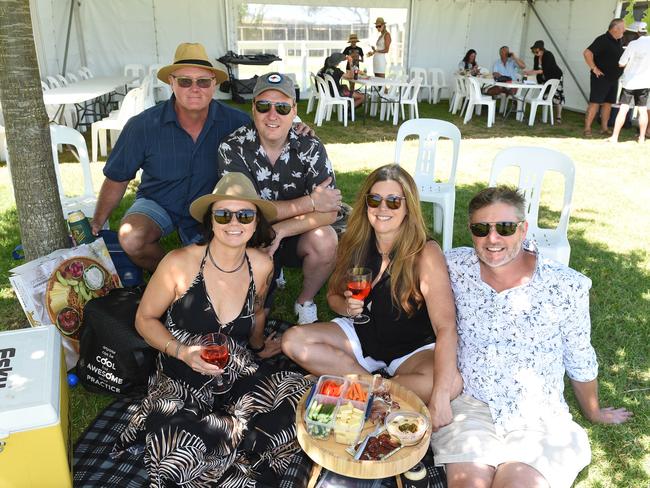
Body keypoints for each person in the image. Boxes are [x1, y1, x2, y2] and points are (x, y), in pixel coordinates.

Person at [111, 172, 312, 486]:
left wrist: (258, 346)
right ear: (211, 220)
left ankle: (235, 445)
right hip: (182, 375)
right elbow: (144, 319)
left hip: (236, 370)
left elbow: (256, 311)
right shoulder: (179, 263)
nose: (234, 222)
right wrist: (181, 351)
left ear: (256, 221)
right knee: (179, 454)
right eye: (223, 214)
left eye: (244, 214)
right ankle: (230, 450)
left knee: (304, 399)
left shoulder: (261, 265)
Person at [431, 186, 633, 488]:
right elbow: (410, 257)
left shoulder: (565, 286)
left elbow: (579, 355)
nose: (493, 238)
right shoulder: (455, 267)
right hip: (472, 409)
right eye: (481, 228)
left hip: (539, 419)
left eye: (506, 227)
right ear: (471, 231)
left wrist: (593, 411)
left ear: (523, 229)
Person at [282, 164, 463, 430]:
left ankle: (356, 386)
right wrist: (346, 307)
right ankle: (375, 388)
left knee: (450, 383)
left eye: (393, 201)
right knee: (293, 340)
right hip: (363, 335)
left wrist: (439, 398)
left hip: (410, 349)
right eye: (375, 199)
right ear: (366, 203)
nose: (382, 209)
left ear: (408, 207)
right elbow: (332, 296)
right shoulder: (356, 242)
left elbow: (446, 327)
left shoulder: (425, 253)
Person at [91, 42, 250, 271]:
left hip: (209, 208)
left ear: (214, 85)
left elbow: (272, 134)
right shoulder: (143, 125)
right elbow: (118, 177)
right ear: (171, 82)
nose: (195, 88)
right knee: (131, 237)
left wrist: (300, 132)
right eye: (185, 81)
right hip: (158, 201)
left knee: (222, 264)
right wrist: (97, 222)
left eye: (203, 81)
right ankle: (176, 274)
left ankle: (199, 270)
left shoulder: (237, 123)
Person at [217, 72, 340, 324]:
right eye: (264, 106)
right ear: (253, 108)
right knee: (251, 315)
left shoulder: (311, 147)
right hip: (249, 233)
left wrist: (281, 229)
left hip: (297, 232)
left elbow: (331, 211)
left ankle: (304, 300)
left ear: (294, 110)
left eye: (282, 108)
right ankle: (269, 278)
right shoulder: (232, 147)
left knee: (325, 239)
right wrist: (311, 202)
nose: (272, 115)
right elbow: (244, 210)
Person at [583, 18, 626, 137]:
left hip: (613, 79)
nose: (625, 30)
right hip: (601, 77)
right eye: (623, 28)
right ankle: (587, 129)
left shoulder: (619, 41)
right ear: (615, 28)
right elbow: (587, 53)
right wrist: (594, 68)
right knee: (595, 102)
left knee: (608, 103)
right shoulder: (602, 39)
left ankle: (604, 128)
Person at [609, 21, 650, 143]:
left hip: (630, 82)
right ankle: (642, 138)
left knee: (623, 109)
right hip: (645, 82)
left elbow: (621, 63)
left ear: (637, 32)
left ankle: (615, 137)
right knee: (642, 110)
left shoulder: (633, 44)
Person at [524, 40, 565, 123]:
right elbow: (536, 69)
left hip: (555, 76)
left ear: (541, 49)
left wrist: (532, 72)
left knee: (558, 95)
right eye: (533, 51)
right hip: (544, 78)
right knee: (545, 96)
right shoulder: (536, 57)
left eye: (536, 51)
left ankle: (558, 116)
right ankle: (545, 117)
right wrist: (529, 72)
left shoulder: (548, 55)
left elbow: (545, 70)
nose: (534, 52)